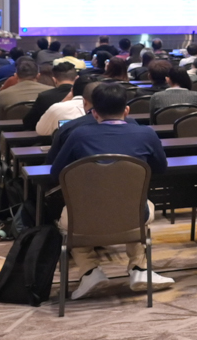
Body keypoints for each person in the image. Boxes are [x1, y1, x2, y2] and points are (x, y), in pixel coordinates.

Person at [48, 82, 172, 299]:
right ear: (127, 110)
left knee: (68, 218)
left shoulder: (78, 135)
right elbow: (161, 168)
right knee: (137, 203)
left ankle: (89, 271)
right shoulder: (147, 134)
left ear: (94, 112)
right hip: (133, 216)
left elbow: (56, 172)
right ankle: (140, 268)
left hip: (84, 218)